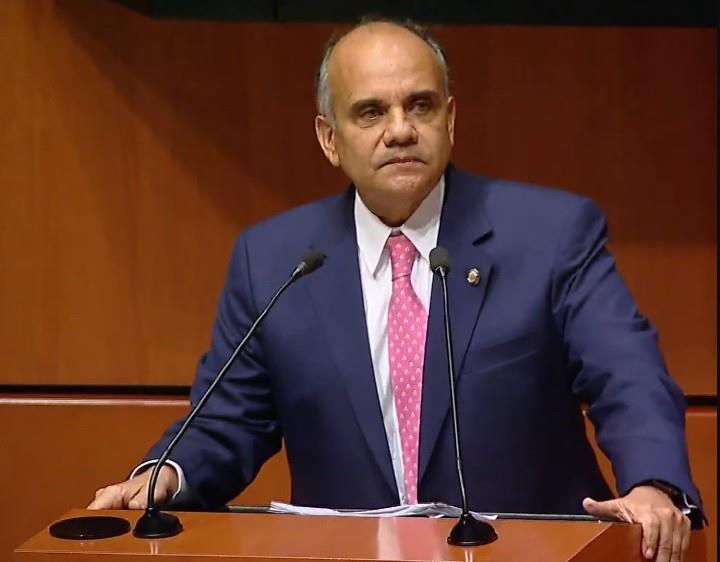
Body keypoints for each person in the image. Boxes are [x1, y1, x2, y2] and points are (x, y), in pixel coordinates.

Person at [89, 18, 703, 562]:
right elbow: (228, 416)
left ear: (451, 119)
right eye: (371, 112)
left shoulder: (549, 235)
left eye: (421, 105)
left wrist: (654, 483)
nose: (401, 130)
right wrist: (165, 474)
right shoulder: (275, 259)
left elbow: (628, 373)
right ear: (330, 138)